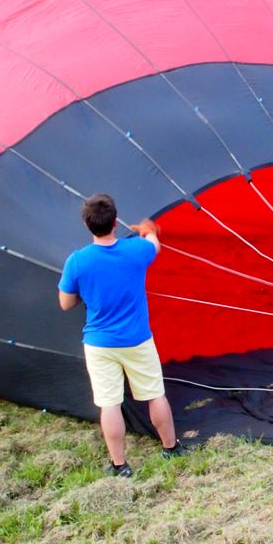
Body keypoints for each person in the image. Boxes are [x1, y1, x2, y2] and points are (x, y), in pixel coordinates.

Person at [58, 193, 186, 478]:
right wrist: (148, 230)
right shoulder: (136, 250)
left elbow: (65, 303)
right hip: (137, 339)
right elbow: (155, 243)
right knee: (155, 395)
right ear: (116, 222)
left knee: (109, 404)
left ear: (86, 224)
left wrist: (86, 293)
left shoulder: (77, 262)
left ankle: (120, 465)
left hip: (99, 344)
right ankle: (170, 448)